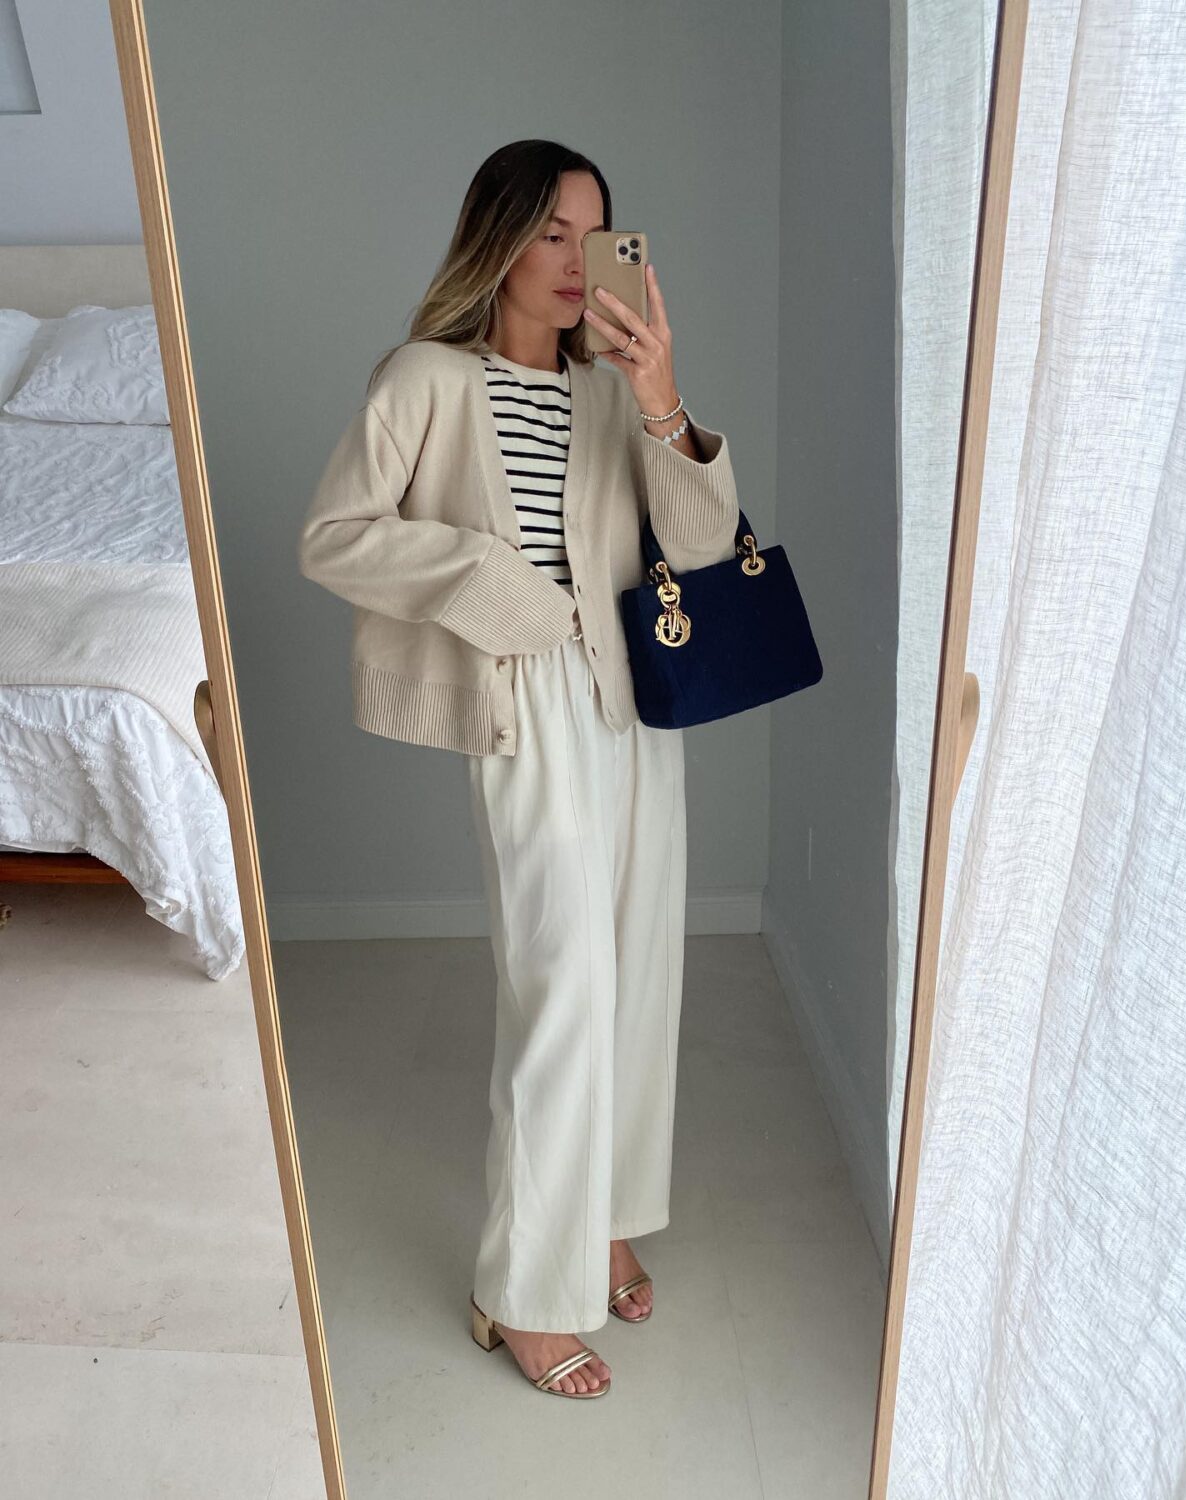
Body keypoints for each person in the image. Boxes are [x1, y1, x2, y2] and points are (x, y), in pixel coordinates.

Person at [298, 139, 740, 1399]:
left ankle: (599, 1222)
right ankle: (524, 1291)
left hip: (634, 700)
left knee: (639, 973)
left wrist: (662, 397)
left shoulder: (612, 391)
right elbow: (334, 536)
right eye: (550, 231)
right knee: (564, 991)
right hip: (526, 690)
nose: (572, 259)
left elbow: (702, 547)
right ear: (496, 237)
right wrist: (484, 582)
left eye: (594, 235)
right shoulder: (427, 380)